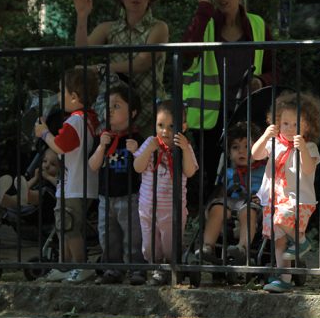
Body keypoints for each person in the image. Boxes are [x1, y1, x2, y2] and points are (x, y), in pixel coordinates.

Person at [182, 0, 277, 195]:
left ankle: (248, 226)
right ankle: (213, 224)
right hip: (211, 116)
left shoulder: (257, 24)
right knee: (213, 175)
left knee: (253, 174)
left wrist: (261, 81)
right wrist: (203, 9)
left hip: (248, 112)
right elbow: (185, 56)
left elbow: (273, 69)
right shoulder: (204, 23)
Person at [73, 0, 169, 131]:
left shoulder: (159, 27)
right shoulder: (108, 28)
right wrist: (82, 16)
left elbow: (142, 63)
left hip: (151, 113)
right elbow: (82, 52)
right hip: (118, 115)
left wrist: (100, 69)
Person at [36, 66, 100, 284]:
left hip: (75, 185)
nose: (59, 96)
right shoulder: (88, 120)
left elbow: (60, 146)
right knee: (65, 225)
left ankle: (80, 266)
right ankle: (66, 265)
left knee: (69, 226)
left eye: (62, 92)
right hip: (75, 184)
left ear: (74, 97)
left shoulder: (75, 121)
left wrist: (44, 133)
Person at [252, 92, 320, 293]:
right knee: (279, 241)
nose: (290, 129)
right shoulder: (275, 143)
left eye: (296, 125)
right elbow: (254, 155)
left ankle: (301, 242)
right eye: (286, 124)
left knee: (279, 220)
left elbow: (308, 169)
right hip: (275, 200)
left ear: (308, 126)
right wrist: (265, 135)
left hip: (298, 201)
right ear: (277, 123)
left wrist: (302, 151)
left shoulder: (309, 147)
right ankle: (284, 278)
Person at [133, 100, 199, 285]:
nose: (165, 131)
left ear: (183, 127)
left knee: (171, 244)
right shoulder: (149, 143)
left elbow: (190, 171)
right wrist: (149, 150)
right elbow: (137, 167)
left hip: (172, 209)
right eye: (160, 125)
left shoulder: (183, 147)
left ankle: (172, 267)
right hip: (148, 207)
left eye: (171, 126)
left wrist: (185, 148)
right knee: (150, 245)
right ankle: (157, 268)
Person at [88, 83, 145, 285]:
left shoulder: (136, 138)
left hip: (130, 195)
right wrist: (101, 146)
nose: (110, 110)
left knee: (133, 236)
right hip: (105, 196)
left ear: (133, 112)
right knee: (107, 235)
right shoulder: (102, 138)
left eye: (117, 106)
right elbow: (93, 165)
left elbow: (143, 167)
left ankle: (137, 268)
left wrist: (137, 151)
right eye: (108, 105)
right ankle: (113, 268)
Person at [197, 122, 266, 268]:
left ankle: (242, 248)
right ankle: (207, 246)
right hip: (231, 202)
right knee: (217, 208)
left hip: (253, 205)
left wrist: (263, 198)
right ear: (229, 152)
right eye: (235, 147)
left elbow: (271, 190)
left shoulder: (265, 171)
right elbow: (221, 193)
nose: (241, 151)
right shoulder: (228, 173)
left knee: (248, 212)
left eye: (248, 147)